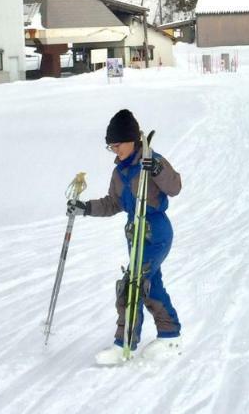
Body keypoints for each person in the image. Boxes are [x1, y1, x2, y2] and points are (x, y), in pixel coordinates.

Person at [68, 108, 183, 365]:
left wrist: (156, 169)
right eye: (111, 147)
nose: (115, 151)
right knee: (150, 286)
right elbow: (113, 203)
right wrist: (85, 208)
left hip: (156, 232)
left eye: (118, 145)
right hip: (135, 234)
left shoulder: (151, 160)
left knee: (133, 284)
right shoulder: (120, 172)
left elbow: (174, 187)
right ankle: (169, 336)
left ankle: (125, 344)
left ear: (132, 140)